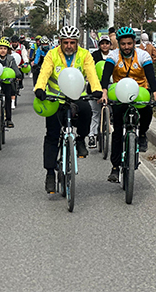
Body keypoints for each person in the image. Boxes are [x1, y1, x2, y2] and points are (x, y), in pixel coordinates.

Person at [34, 26, 102, 193]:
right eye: (66, 42)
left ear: (77, 43)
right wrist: (39, 88)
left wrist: (96, 89)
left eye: (72, 43)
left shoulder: (85, 55)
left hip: (76, 96)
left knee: (86, 109)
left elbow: (91, 73)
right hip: (55, 99)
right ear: (60, 42)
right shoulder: (52, 54)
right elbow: (44, 73)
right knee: (52, 136)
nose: (69, 46)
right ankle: (50, 173)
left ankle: (80, 139)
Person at [100, 27, 156, 182]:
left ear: (134, 43)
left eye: (129, 43)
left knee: (148, 111)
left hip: (140, 92)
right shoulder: (113, 55)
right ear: (119, 44)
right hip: (119, 93)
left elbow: (151, 76)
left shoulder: (143, 55)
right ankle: (115, 168)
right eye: (123, 44)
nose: (126, 47)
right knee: (117, 133)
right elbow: (106, 75)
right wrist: (104, 91)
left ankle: (142, 134)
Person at [0, 38, 20, 128]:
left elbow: (15, 68)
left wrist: (18, 75)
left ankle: (9, 119)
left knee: (8, 97)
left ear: (7, 50)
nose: (3, 51)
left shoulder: (11, 58)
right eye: (1, 48)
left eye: (5, 49)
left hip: (7, 82)